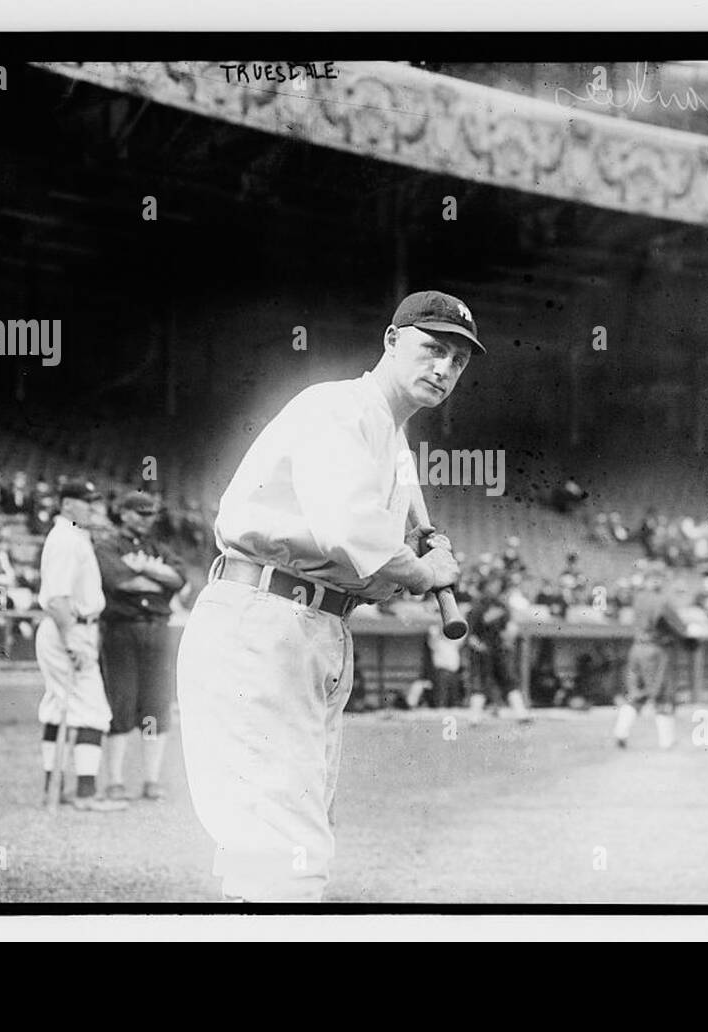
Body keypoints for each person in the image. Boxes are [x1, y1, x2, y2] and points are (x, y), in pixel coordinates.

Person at [177, 289, 477, 902]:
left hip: (312, 624)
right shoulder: (340, 408)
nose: (444, 367)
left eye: (458, 359)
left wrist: (421, 558)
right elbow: (348, 529)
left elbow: (366, 555)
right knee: (286, 840)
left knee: (277, 831)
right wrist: (425, 573)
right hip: (264, 618)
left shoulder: (392, 441)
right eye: (432, 348)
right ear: (392, 342)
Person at [34, 481, 126, 812]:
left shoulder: (74, 535)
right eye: (86, 502)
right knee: (94, 710)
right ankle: (85, 794)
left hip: (71, 627)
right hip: (68, 628)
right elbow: (57, 599)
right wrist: (72, 639)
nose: (93, 507)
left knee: (60, 705)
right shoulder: (65, 539)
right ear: (68, 504)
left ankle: (54, 789)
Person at [94, 491, 187, 802]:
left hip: (157, 630)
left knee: (156, 706)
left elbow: (179, 579)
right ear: (124, 513)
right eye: (140, 513)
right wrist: (157, 579)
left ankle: (151, 780)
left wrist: (145, 568)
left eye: (150, 515)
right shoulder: (107, 546)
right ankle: (116, 781)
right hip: (121, 630)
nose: (147, 519)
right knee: (120, 702)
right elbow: (120, 582)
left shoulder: (157, 548)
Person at [613, 578, 677, 749]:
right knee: (662, 693)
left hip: (636, 648)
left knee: (636, 693)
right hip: (654, 650)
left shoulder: (638, 599)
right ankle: (666, 741)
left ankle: (621, 732)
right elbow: (676, 625)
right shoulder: (661, 601)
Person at [465, 575, 530, 723]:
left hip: (500, 650)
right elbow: (470, 633)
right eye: (492, 584)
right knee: (480, 683)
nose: (495, 587)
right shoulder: (476, 607)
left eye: (497, 584)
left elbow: (508, 627)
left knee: (509, 680)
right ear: (485, 586)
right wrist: (477, 645)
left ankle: (521, 714)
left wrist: (509, 635)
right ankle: (474, 717)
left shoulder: (502, 606)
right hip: (482, 651)